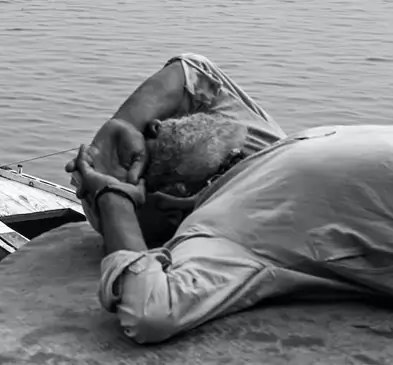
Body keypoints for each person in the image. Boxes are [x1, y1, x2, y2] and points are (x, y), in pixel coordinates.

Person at [71, 115, 393, 345]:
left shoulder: (226, 228)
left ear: (168, 200)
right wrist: (122, 125)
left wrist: (113, 200)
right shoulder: (273, 144)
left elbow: (150, 311)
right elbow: (193, 69)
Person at [66, 53, 286, 246]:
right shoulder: (255, 138)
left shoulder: (259, 229)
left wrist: (113, 202)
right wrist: (127, 123)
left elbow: (140, 283)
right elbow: (191, 67)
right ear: (156, 126)